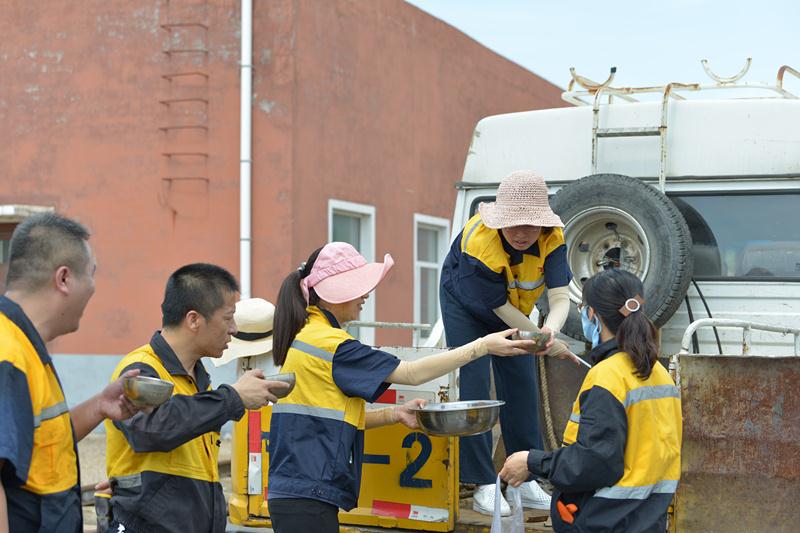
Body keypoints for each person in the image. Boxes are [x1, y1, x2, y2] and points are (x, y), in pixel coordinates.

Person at [267, 242, 543, 533]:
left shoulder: (309, 337)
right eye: (359, 287)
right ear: (334, 294)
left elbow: (330, 419)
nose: (366, 295)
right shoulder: (333, 346)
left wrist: (394, 414)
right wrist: (482, 346)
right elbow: (411, 373)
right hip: (307, 493)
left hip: (298, 491)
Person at [103, 264, 290, 533]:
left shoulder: (200, 382)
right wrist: (233, 397)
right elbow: (153, 429)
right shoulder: (140, 368)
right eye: (228, 318)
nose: (234, 329)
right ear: (193, 320)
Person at [439, 169, 580, 515]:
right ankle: (483, 483)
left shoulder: (553, 238)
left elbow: (561, 296)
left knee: (522, 383)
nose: (521, 233)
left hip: (514, 309)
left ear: (542, 224)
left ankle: (525, 477)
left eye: (530, 224)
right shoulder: (479, 244)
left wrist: (551, 334)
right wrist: (543, 341)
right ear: (500, 221)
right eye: (513, 224)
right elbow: (498, 309)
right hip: (468, 307)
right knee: (474, 384)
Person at [500, 268, 682, 532]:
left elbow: (595, 462)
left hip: (607, 522)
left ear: (592, 314)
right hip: (647, 520)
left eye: (583, 307)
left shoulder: (607, 377)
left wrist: (532, 461)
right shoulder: (660, 374)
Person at [0, 213, 139, 533]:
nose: (93, 287)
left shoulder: (25, 346)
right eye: (92, 274)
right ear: (63, 279)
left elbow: (35, 442)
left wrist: (100, 406)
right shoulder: (8, 355)